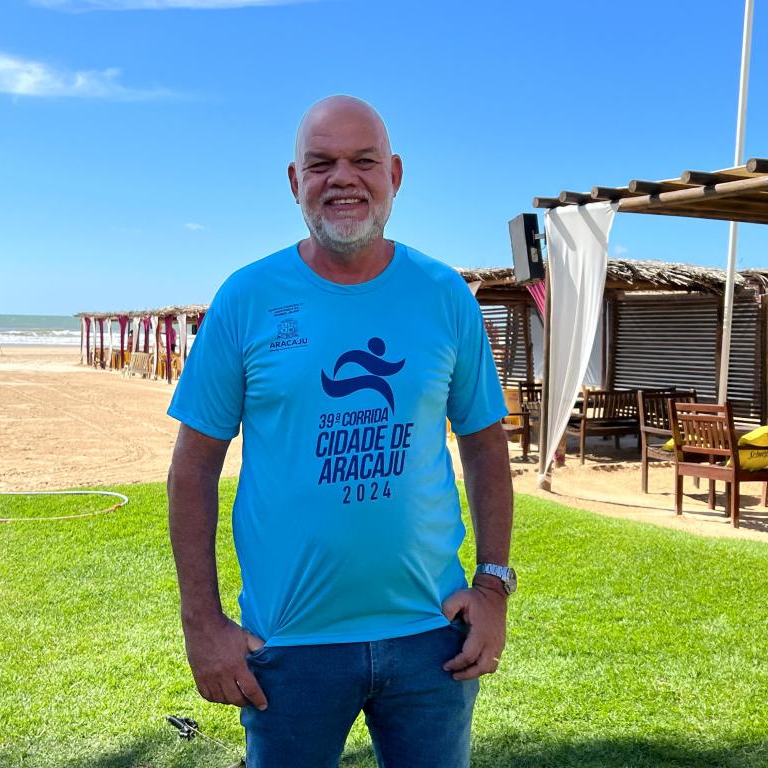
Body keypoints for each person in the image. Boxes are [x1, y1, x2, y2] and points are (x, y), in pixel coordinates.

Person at [166, 95, 514, 768]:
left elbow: (484, 444)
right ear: (295, 180)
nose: (343, 179)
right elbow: (193, 467)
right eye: (321, 163)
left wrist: (493, 586)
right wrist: (202, 623)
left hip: (433, 634)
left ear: (395, 175)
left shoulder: (444, 294)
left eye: (364, 161)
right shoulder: (247, 298)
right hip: (288, 644)